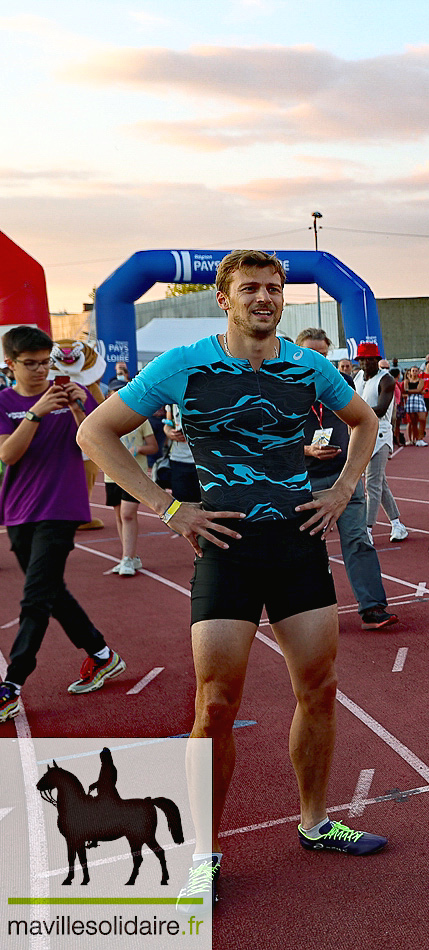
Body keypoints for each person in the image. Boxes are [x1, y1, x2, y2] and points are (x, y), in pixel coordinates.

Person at [77, 249, 387, 907]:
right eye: (251, 288)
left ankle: (314, 822)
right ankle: (204, 853)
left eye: (274, 289)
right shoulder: (186, 363)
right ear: (225, 298)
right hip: (226, 548)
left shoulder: (307, 366)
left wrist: (343, 490)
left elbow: (363, 422)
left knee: (320, 689)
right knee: (214, 704)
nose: (265, 298)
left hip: (297, 544)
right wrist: (168, 507)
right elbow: (96, 432)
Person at [0, 327, 122, 725]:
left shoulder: (75, 395)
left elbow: (95, 443)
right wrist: (36, 413)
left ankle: (12, 685)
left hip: (62, 508)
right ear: (10, 364)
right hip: (19, 510)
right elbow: (8, 454)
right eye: (29, 363)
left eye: (44, 362)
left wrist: (75, 411)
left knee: (35, 597)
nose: (38, 370)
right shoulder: (4, 402)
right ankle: (103, 656)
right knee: (52, 592)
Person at [295, 328, 397, 631]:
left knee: (358, 540)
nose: (317, 359)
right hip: (303, 482)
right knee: (308, 551)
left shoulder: (341, 382)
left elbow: (361, 422)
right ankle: (312, 614)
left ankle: (372, 608)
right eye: (310, 353)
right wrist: (308, 450)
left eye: (323, 354)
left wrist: (355, 465)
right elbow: (268, 438)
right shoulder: (283, 386)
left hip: (343, 477)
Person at [353, 345, 409, 543]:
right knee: (380, 483)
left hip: (380, 434)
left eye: (368, 360)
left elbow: (381, 408)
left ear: (377, 360)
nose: (364, 363)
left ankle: (367, 529)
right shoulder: (357, 377)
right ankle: (397, 524)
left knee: (373, 483)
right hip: (361, 433)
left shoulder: (386, 379)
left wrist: (354, 412)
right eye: (361, 359)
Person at [100, 384, 157, 577]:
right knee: (119, 516)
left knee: (127, 514)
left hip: (134, 473)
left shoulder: (140, 420)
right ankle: (130, 557)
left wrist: (139, 449)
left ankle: (127, 558)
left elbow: (153, 447)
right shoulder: (102, 419)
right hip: (111, 473)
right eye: (114, 395)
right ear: (108, 396)